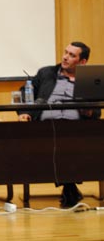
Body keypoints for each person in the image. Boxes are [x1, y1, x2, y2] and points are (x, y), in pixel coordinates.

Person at [18, 41, 101, 208]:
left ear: (82, 62)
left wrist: (90, 112)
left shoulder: (89, 79)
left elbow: (97, 110)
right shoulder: (47, 73)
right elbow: (24, 92)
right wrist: (24, 113)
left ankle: (69, 188)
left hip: (76, 130)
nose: (65, 57)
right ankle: (70, 188)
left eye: (72, 55)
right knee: (62, 142)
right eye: (65, 52)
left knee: (72, 141)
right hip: (44, 128)